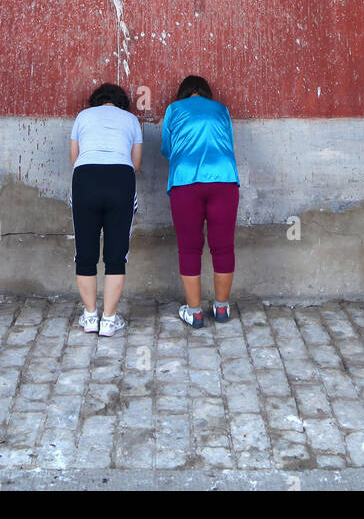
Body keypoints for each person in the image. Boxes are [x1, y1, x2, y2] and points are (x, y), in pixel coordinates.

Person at [161, 75, 240, 328]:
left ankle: (194, 312)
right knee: (224, 245)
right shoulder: (221, 109)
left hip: (185, 180)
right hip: (224, 178)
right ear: (206, 93)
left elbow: (167, 148)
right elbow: (229, 141)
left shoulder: (174, 109)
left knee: (189, 246)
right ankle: (222, 308)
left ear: (182, 93)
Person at [70, 82, 142, 336]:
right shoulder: (132, 119)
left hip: (85, 178)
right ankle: (109, 321)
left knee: (85, 252)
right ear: (121, 103)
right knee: (116, 255)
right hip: (120, 178)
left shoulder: (82, 117)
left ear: (96, 101)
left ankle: (90, 317)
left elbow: (74, 158)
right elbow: (136, 163)